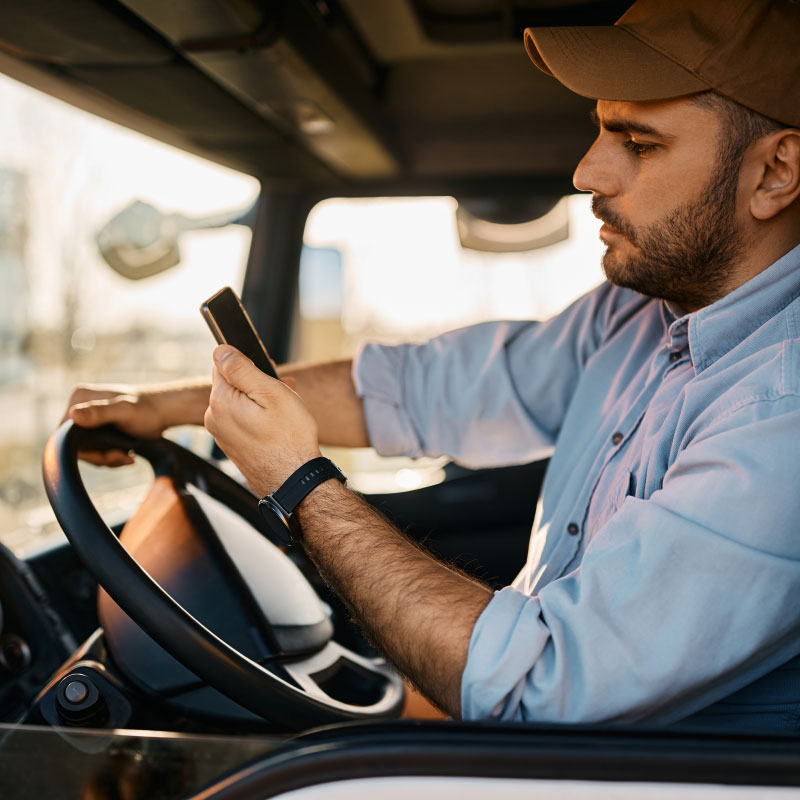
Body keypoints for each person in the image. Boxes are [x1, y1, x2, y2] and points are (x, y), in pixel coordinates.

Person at [65, 0, 800, 729]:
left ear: (775, 173)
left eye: (638, 143)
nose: (585, 172)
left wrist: (299, 484)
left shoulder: (781, 415)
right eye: (599, 131)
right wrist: (161, 407)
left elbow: (538, 687)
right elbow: (418, 391)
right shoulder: (642, 314)